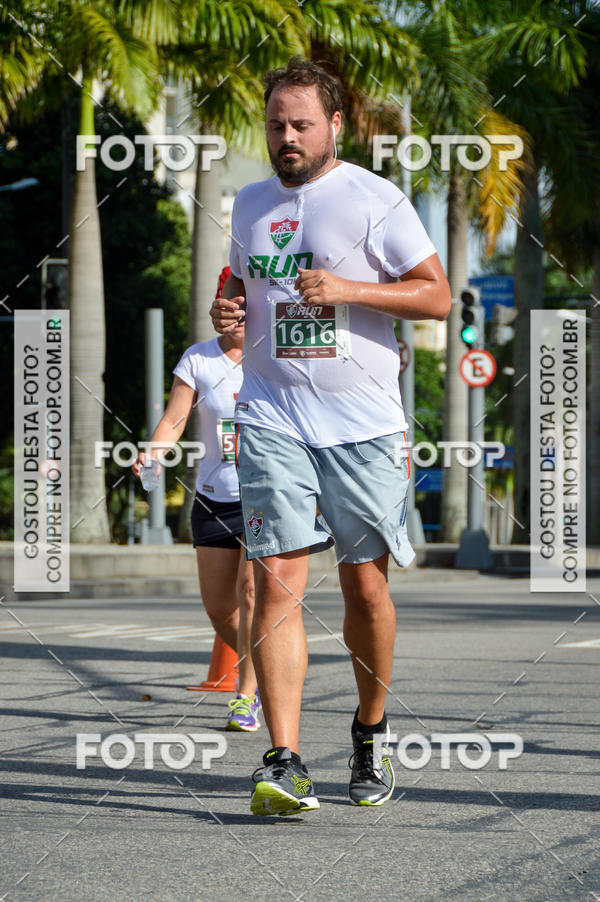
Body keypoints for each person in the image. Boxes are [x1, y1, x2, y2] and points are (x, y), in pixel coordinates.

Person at [210, 57, 451, 815]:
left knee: (365, 586)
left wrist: (348, 288)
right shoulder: (248, 204)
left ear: (335, 125)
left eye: (301, 124)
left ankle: (370, 732)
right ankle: (282, 760)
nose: (286, 137)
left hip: (364, 427)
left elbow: (437, 297)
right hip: (272, 416)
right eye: (276, 123)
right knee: (276, 581)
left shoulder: (375, 200)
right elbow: (238, 283)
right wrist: (228, 313)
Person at [134, 268, 260, 732]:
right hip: (213, 496)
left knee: (251, 594)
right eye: (228, 303)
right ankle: (265, 664)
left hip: (263, 496)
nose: (237, 313)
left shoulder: (275, 357)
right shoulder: (198, 359)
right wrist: (152, 451)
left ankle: (246, 695)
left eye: (245, 304)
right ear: (217, 307)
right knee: (219, 608)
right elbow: (174, 419)